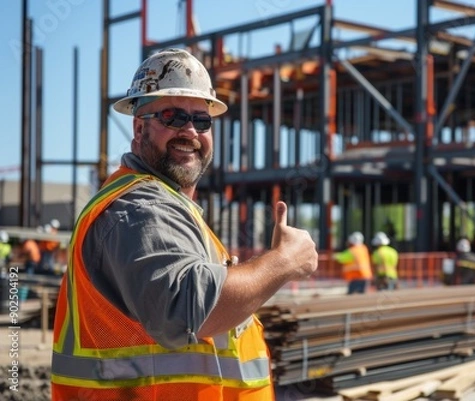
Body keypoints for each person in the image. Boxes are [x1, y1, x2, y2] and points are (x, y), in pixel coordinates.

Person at [51, 48, 319, 401]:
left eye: (202, 120)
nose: (190, 131)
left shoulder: (173, 209)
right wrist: (284, 261)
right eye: (171, 117)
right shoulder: (139, 208)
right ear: (138, 127)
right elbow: (188, 312)